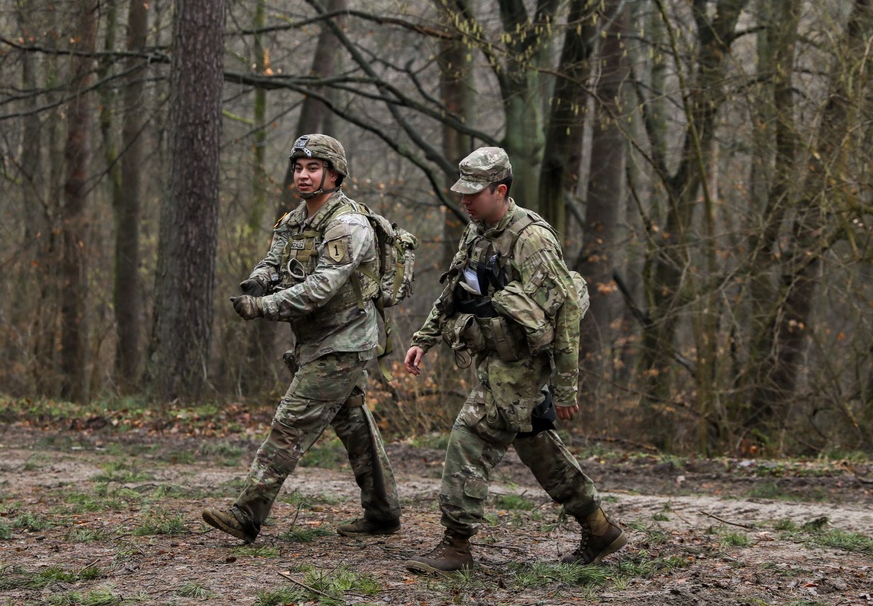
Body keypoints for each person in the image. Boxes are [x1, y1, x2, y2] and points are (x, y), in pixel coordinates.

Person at [402, 147, 626, 572]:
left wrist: (565, 387)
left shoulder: (532, 240)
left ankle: (456, 545)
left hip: (520, 367)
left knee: (469, 439)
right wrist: (424, 338)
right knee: (536, 444)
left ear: (500, 190)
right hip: (494, 358)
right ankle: (599, 528)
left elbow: (567, 315)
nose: (464, 200)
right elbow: (454, 290)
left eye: (473, 193)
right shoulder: (478, 231)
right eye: (462, 192)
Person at [202, 134, 401, 543]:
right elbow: (274, 261)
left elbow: (322, 288)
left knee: (290, 425)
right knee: (355, 425)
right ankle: (382, 513)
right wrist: (257, 282)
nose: (303, 175)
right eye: (298, 167)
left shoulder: (347, 224)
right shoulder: (295, 219)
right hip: (316, 341)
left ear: (334, 174)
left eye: (313, 168)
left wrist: (265, 307)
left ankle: (247, 513)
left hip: (343, 343)